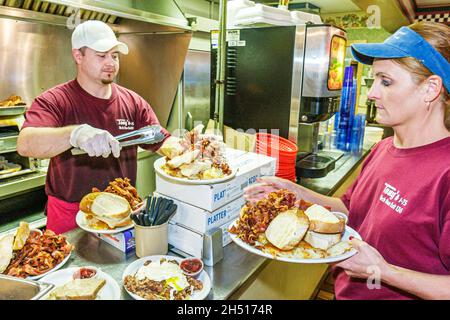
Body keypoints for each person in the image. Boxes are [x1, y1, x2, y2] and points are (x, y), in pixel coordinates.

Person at [244, 21, 450, 300]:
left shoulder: (445, 172)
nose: (373, 93)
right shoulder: (383, 148)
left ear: (430, 89)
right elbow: (350, 210)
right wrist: (297, 194)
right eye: (374, 79)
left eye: (386, 81)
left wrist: (383, 271)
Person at [17, 20, 171, 234]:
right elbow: (26, 144)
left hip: (121, 212)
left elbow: (163, 140)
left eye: (114, 56)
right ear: (78, 56)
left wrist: (194, 149)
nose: (111, 63)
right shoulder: (55, 100)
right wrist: (75, 134)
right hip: (69, 214)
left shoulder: (133, 102)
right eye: (101, 55)